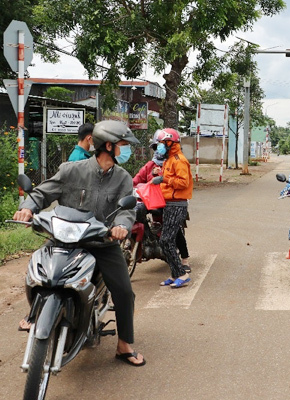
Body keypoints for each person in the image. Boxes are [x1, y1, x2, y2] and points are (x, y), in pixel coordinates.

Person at [13, 120, 146, 367]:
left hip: (102, 243)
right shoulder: (71, 170)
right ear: (109, 145)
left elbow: (126, 212)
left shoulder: (123, 178)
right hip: (64, 239)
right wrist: (27, 209)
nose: (126, 150)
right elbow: (42, 193)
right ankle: (37, 313)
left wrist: (121, 227)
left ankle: (124, 344)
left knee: (125, 292)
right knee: (38, 272)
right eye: (124, 145)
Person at [132, 131, 191, 272]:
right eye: (156, 147)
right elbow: (136, 180)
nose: (158, 150)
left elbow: (182, 182)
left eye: (160, 146)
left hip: (171, 202)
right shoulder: (150, 166)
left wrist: (162, 178)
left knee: (173, 232)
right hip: (151, 202)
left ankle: (184, 260)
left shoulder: (175, 161)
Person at [152, 128, 193, 288]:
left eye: (162, 143)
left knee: (167, 240)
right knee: (165, 240)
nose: (160, 146)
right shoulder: (169, 159)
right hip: (168, 203)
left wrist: (164, 179)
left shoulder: (179, 160)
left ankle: (182, 274)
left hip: (177, 204)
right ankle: (175, 273)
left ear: (170, 143)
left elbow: (183, 182)